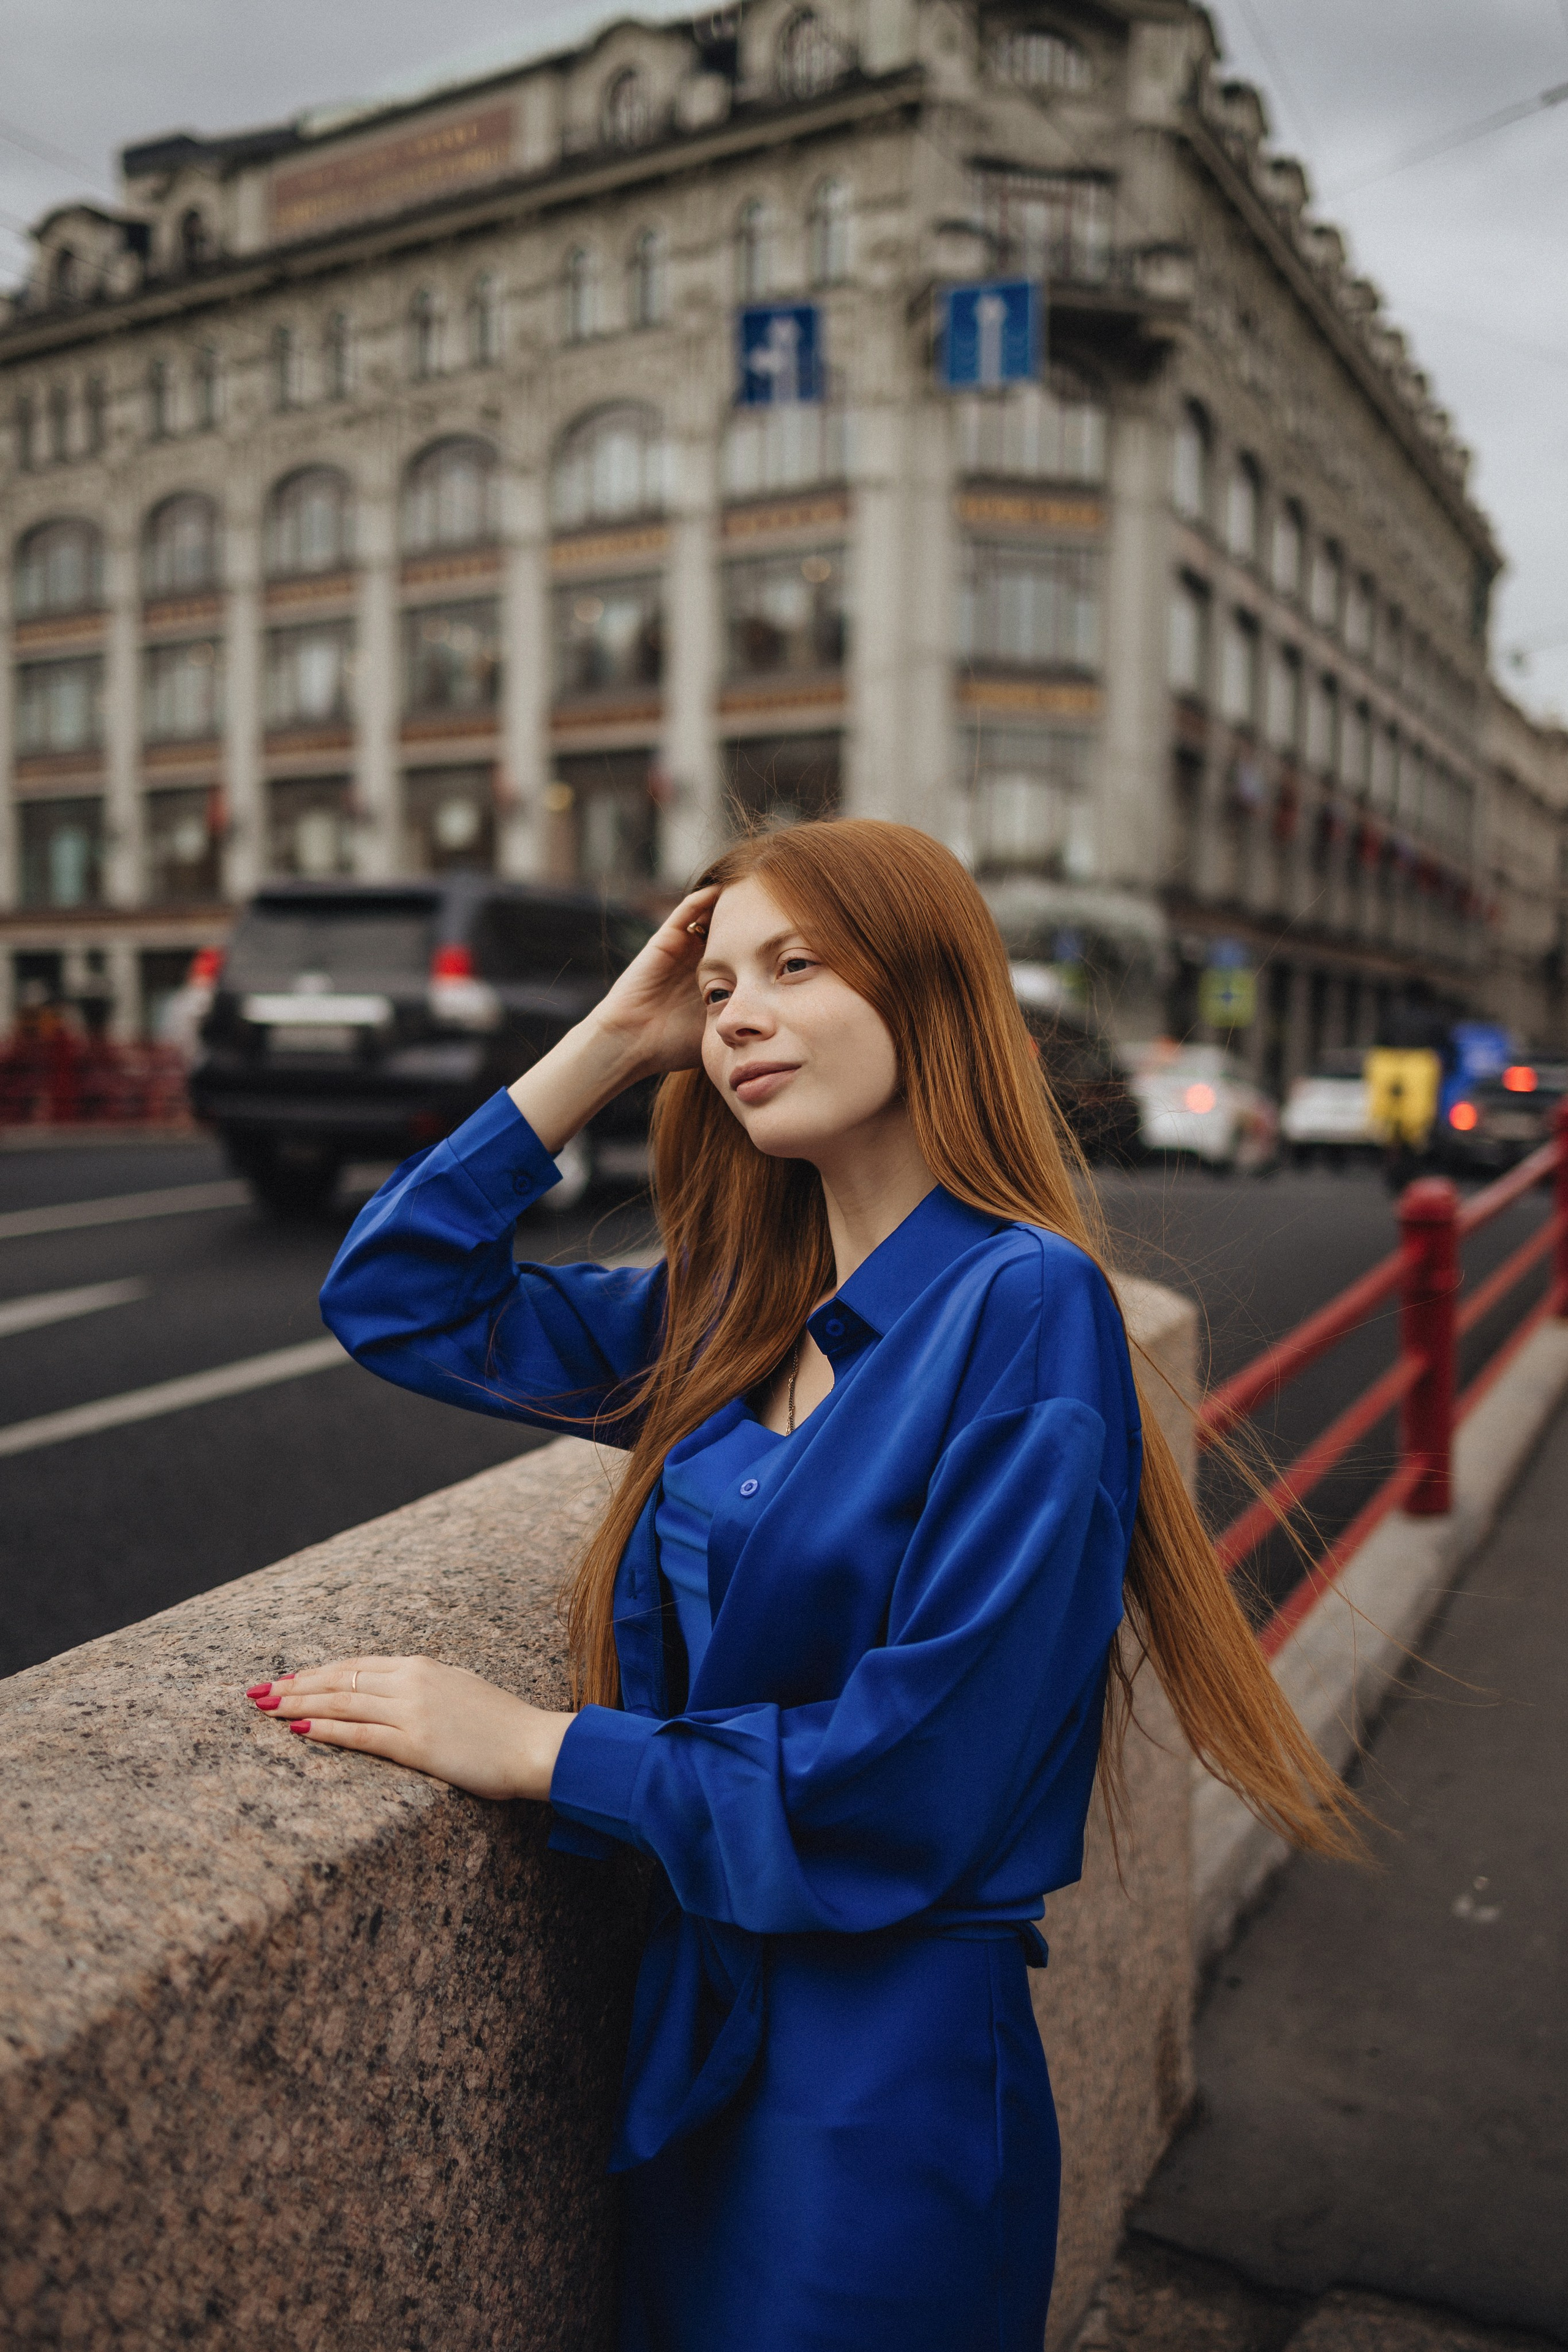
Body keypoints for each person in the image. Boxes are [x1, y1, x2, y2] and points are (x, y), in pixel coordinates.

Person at [249, 820, 1354, 2352]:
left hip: (880, 2070)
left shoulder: (1022, 1305)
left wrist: (537, 1747)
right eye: (715, 991)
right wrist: (611, 1039)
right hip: (701, 2024)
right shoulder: (732, 1313)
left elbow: (923, 1771)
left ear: (928, 994)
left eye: (794, 968)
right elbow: (396, 1297)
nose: (738, 1016)